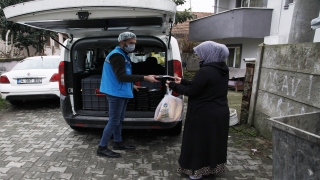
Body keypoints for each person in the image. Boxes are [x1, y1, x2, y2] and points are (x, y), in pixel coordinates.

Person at [166, 41, 230, 179]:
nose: (198, 57)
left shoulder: (205, 71)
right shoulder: (222, 69)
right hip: (219, 112)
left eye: (200, 55)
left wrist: (172, 85)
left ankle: (196, 171)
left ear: (208, 54)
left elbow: (193, 91)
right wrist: (181, 81)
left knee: (198, 142)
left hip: (204, 114)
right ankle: (211, 168)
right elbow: (201, 85)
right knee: (213, 142)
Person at [97, 32, 158, 158]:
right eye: (130, 43)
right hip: (115, 93)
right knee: (114, 121)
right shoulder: (116, 56)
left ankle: (118, 143)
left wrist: (132, 85)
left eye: (134, 43)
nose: (133, 46)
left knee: (119, 120)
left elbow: (124, 75)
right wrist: (145, 77)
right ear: (122, 43)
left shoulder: (123, 54)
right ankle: (102, 147)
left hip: (121, 91)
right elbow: (121, 76)